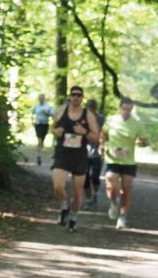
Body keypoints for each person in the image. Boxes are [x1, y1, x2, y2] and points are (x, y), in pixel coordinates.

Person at [51, 86, 99, 232]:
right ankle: (64, 206)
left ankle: (73, 218)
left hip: (79, 156)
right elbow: (52, 128)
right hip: (62, 154)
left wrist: (84, 132)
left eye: (79, 95)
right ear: (69, 96)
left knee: (78, 192)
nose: (76, 97)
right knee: (58, 186)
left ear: (82, 98)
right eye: (74, 95)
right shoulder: (60, 111)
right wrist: (55, 132)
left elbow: (96, 138)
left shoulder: (88, 115)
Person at [101, 96, 148, 230]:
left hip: (129, 161)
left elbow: (144, 140)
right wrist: (101, 145)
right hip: (112, 159)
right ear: (120, 108)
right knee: (110, 183)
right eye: (124, 109)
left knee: (127, 189)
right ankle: (113, 202)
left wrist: (142, 142)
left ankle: (122, 217)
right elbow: (103, 134)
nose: (126, 112)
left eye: (129, 109)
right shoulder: (111, 120)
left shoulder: (136, 123)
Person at [82, 99, 106, 209]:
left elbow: (105, 133)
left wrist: (102, 145)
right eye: (88, 109)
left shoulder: (101, 119)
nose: (90, 111)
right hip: (83, 152)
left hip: (97, 151)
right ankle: (88, 199)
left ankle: (95, 194)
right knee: (84, 177)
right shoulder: (82, 118)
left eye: (92, 109)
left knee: (95, 176)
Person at [32, 93, 55, 166]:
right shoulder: (36, 107)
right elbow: (32, 114)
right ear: (38, 99)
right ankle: (38, 155)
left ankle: (40, 151)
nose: (41, 99)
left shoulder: (48, 106)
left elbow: (52, 115)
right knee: (39, 139)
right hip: (38, 124)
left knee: (42, 139)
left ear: (44, 99)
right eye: (40, 98)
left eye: (42, 98)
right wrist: (32, 121)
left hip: (45, 124)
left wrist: (47, 113)